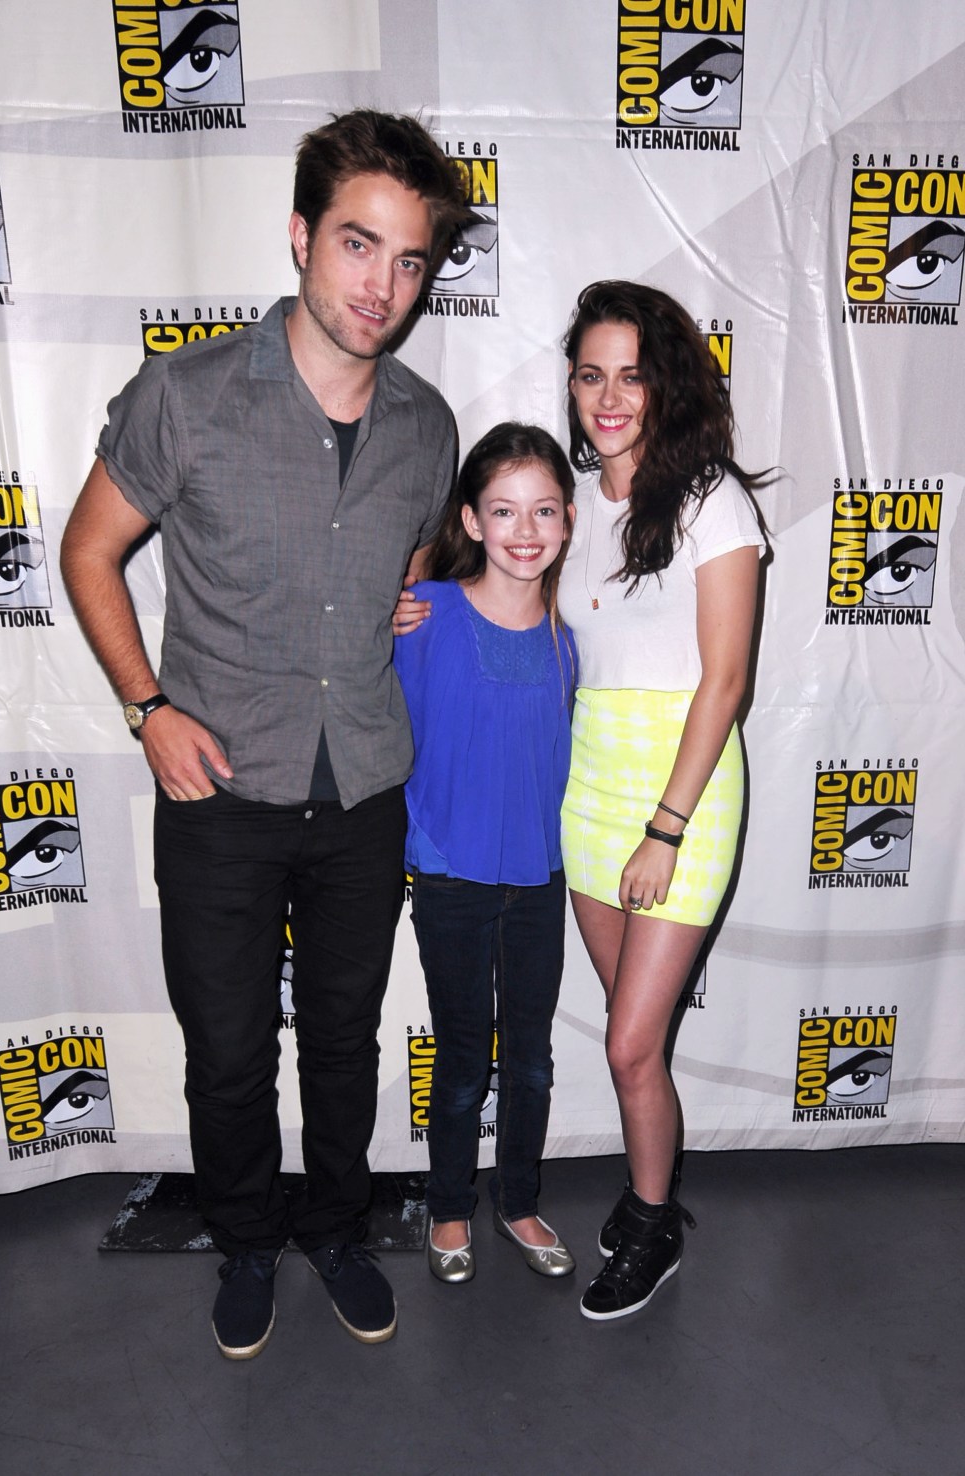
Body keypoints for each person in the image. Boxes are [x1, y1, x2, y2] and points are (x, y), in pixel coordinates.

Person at [60, 109, 471, 1359]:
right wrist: (149, 711)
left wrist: (392, 598)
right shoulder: (186, 397)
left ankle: (336, 1231)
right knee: (229, 1052)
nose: (382, 286)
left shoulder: (427, 425)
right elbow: (87, 552)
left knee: (344, 1043)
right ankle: (245, 1242)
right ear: (300, 237)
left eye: (408, 260)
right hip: (220, 794)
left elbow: (403, 563)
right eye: (357, 244)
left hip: (364, 793)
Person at [557, 280, 766, 1321]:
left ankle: (651, 1223)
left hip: (681, 796)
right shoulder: (568, 501)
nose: (608, 398)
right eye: (590, 375)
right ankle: (653, 1193)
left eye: (630, 377)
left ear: (664, 386)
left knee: (630, 1045)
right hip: (589, 784)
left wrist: (666, 829)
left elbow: (724, 684)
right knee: (628, 1034)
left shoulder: (709, 500)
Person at [393, 423, 578, 1284]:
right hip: (450, 878)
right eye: (503, 510)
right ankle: (449, 1208)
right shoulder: (424, 617)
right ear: (470, 519)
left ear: (568, 520)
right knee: (464, 1058)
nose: (525, 530)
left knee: (531, 1059)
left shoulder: (570, 636)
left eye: (544, 510)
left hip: (539, 880)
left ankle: (520, 1200)